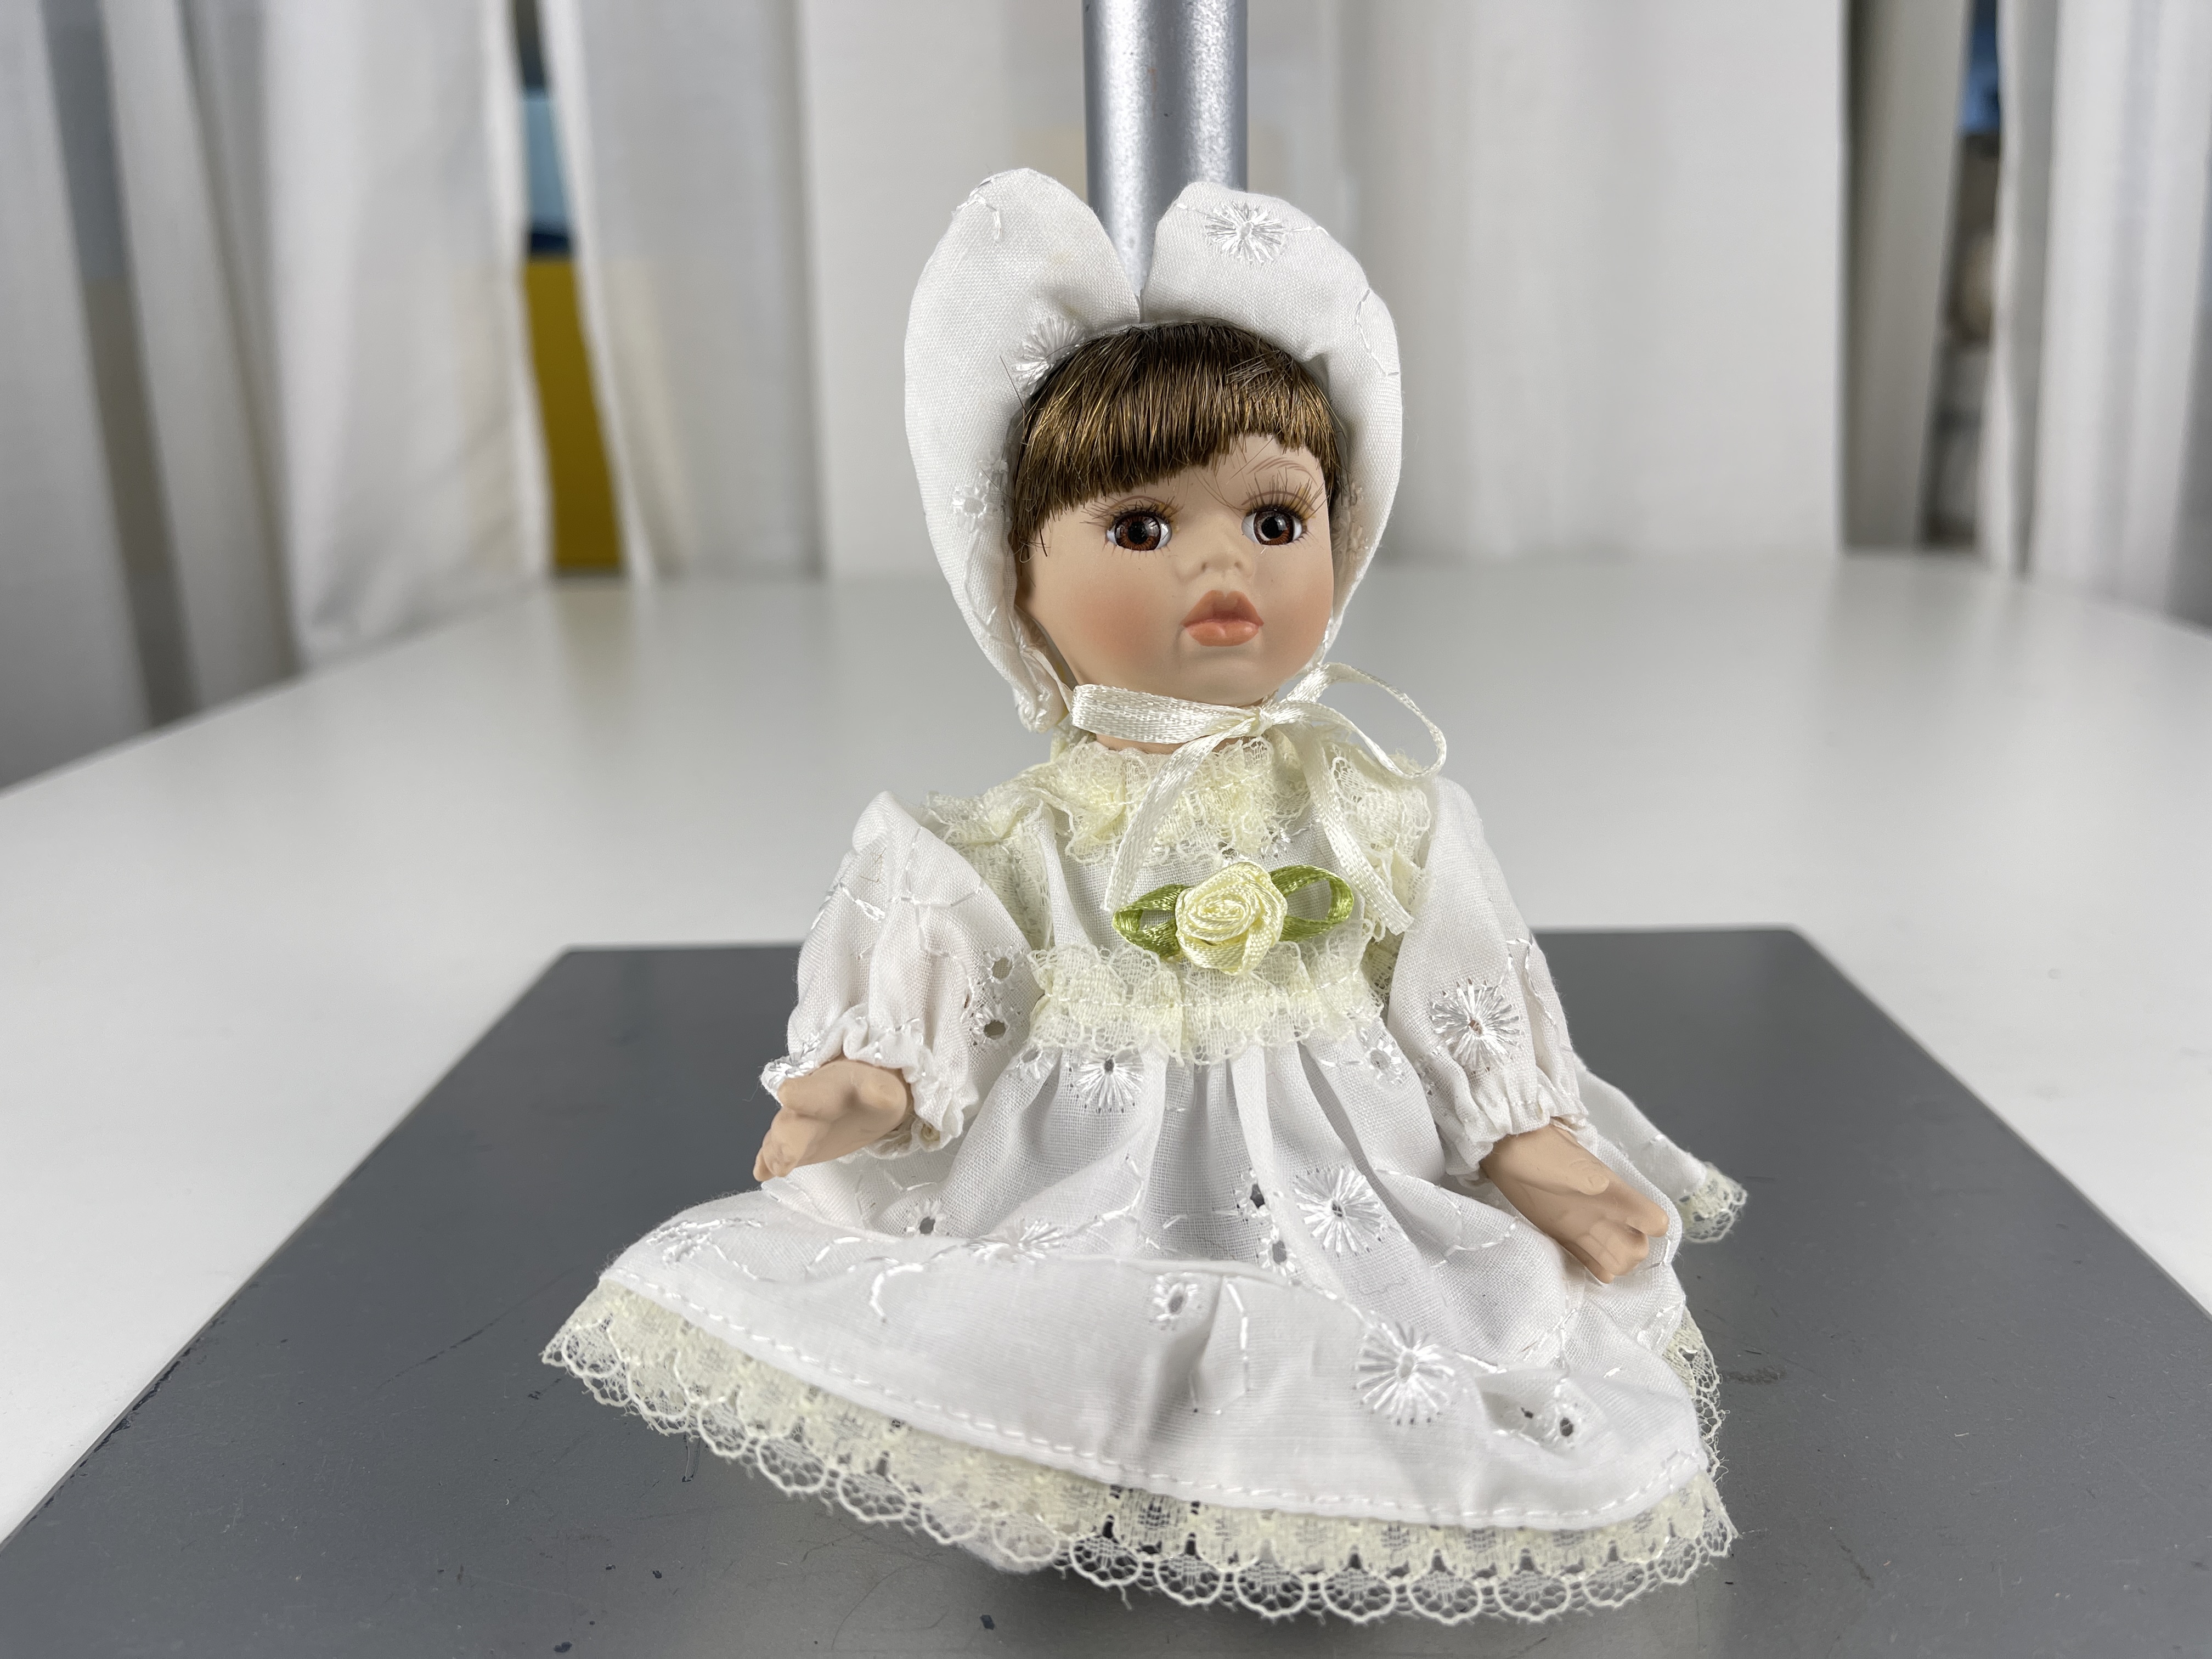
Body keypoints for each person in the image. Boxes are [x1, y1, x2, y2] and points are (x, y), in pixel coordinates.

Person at [546, 171, 1744, 1625]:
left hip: (1345, 1169)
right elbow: (962, 959)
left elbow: (1459, 981)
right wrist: (876, 1076)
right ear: (1017, 581)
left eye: (1275, 518)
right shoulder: (1022, 833)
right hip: (1093, 1171)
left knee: (1422, 1342)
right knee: (1059, 1328)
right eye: (1141, 529)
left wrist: (1526, 1138)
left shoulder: (1377, 806)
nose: (1223, 562)